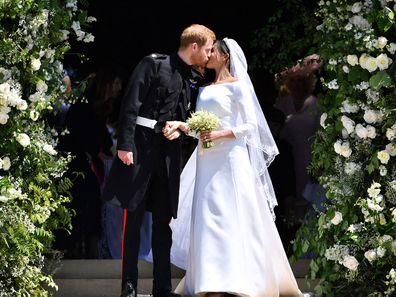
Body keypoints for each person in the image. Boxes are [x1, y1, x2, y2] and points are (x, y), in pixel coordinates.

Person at [163, 38, 302, 296]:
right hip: (207, 160)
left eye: (213, 50)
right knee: (208, 217)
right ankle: (210, 281)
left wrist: (220, 134)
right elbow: (200, 128)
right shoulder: (204, 89)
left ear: (225, 57)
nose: (209, 54)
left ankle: (239, 279)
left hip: (230, 159)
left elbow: (250, 127)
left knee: (232, 215)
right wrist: (184, 126)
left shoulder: (238, 87)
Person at [101, 24, 216, 297]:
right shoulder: (154, 64)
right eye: (208, 49)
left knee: (163, 223)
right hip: (140, 150)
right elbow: (132, 102)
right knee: (134, 218)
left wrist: (180, 128)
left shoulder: (194, 78)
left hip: (168, 157)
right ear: (194, 46)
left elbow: (190, 118)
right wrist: (125, 145)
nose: (209, 55)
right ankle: (128, 286)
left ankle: (161, 287)